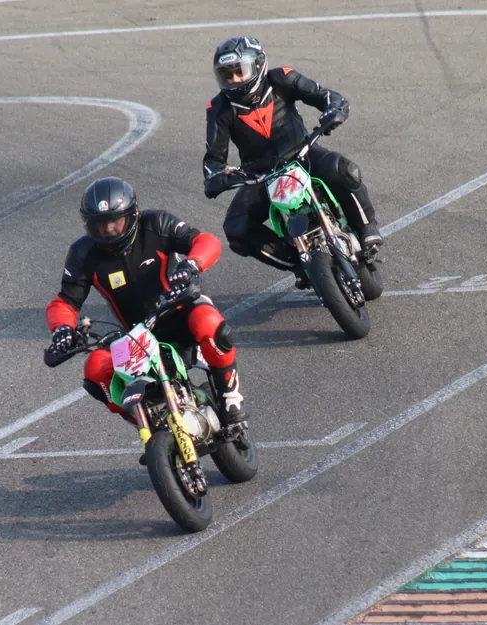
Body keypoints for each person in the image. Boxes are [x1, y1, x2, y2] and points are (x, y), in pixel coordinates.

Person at [44, 176, 248, 455]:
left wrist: (191, 265)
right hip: (138, 334)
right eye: (100, 224)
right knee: (95, 369)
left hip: (180, 310)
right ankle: (151, 422)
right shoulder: (83, 253)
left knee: (211, 324)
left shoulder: (157, 224)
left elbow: (205, 241)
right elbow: (65, 302)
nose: (108, 230)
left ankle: (230, 398)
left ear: (132, 215)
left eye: (115, 221)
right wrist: (62, 330)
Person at [202, 35, 383, 284]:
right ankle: (297, 262)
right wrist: (215, 177)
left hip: (303, 154)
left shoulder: (282, 78)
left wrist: (334, 110)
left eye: (239, 72)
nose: (233, 80)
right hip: (261, 175)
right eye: (226, 75)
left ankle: (366, 228)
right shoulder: (218, 108)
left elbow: (326, 96)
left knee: (343, 169)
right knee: (236, 228)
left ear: (258, 65)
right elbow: (213, 158)